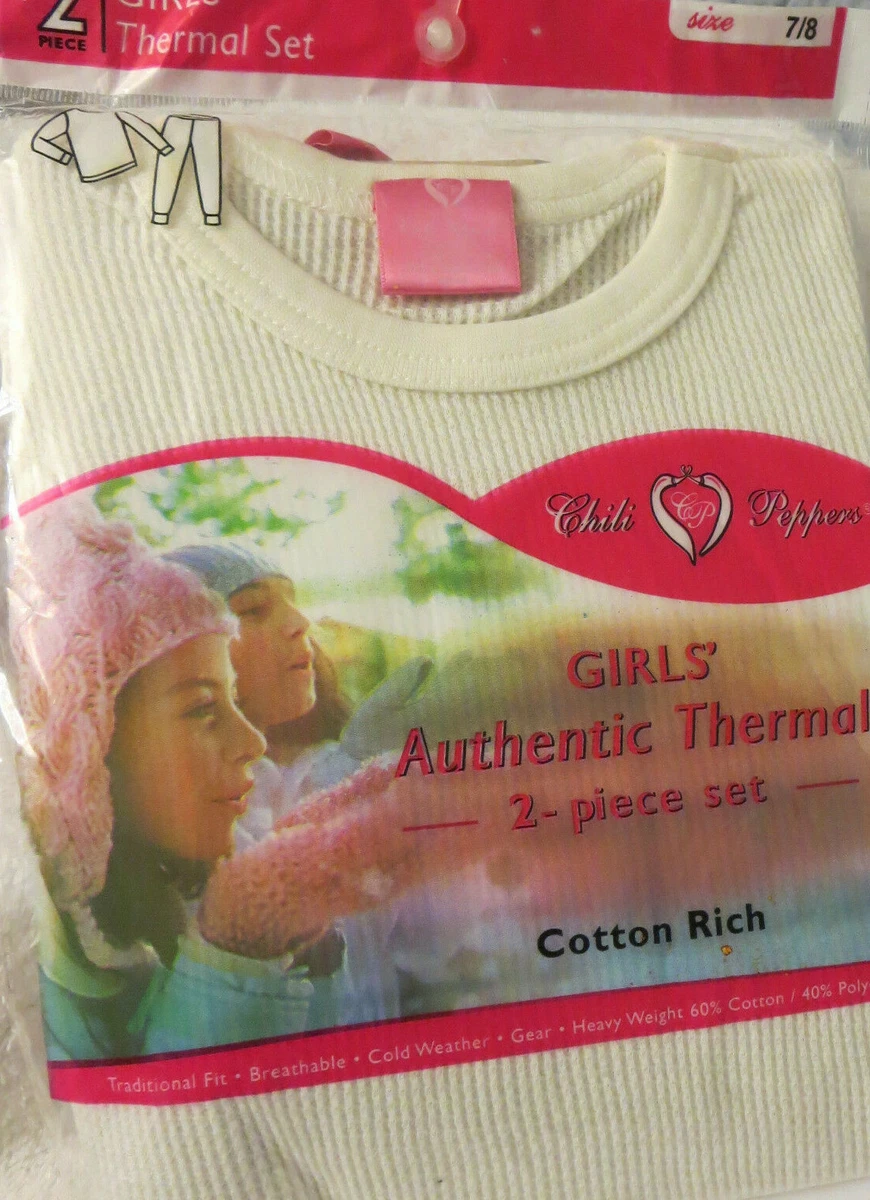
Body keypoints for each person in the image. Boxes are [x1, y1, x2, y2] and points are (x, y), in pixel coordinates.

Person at [12, 501, 318, 1060]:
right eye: (203, 709)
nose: (253, 743)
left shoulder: (180, 884)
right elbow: (182, 1111)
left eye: (234, 700)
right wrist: (234, 961)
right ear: (91, 755)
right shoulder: (47, 977)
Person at [165, 543, 433, 1025]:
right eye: (252, 610)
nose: (299, 623)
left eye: (293, 602)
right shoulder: (176, 832)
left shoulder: (329, 762)